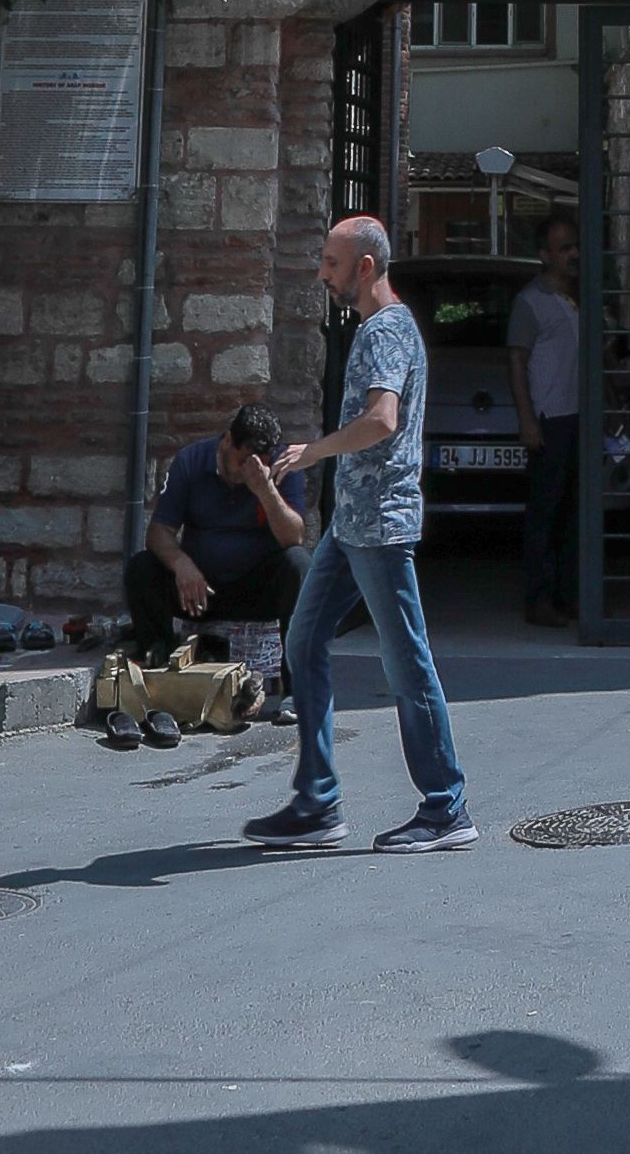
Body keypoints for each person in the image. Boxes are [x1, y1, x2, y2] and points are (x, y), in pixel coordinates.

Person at [241, 213, 473, 854]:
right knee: (305, 641)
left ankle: (445, 807)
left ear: (364, 267)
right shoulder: (384, 329)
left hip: (376, 526)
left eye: (332, 264)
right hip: (353, 525)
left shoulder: (383, 331)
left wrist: (314, 451)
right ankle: (317, 804)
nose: (323, 274)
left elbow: (381, 420)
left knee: (407, 665)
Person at [130, 402, 303, 686]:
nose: (248, 470)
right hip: (200, 591)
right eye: (244, 460)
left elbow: (293, 537)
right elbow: (159, 531)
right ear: (227, 441)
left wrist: (265, 490)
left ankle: (294, 686)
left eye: (258, 462)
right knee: (142, 568)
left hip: (256, 590)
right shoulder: (191, 461)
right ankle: (160, 656)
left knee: (298, 564)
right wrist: (181, 564)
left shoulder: (281, 467)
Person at [509, 215, 588, 628]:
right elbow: (517, 362)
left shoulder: (580, 298)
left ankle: (572, 597)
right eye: (563, 248)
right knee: (546, 514)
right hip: (550, 419)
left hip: (580, 420)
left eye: (574, 246)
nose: (573, 254)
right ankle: (539, 599)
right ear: (544, 256)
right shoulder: (531, 302)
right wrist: (528, 420)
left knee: (577, 514)